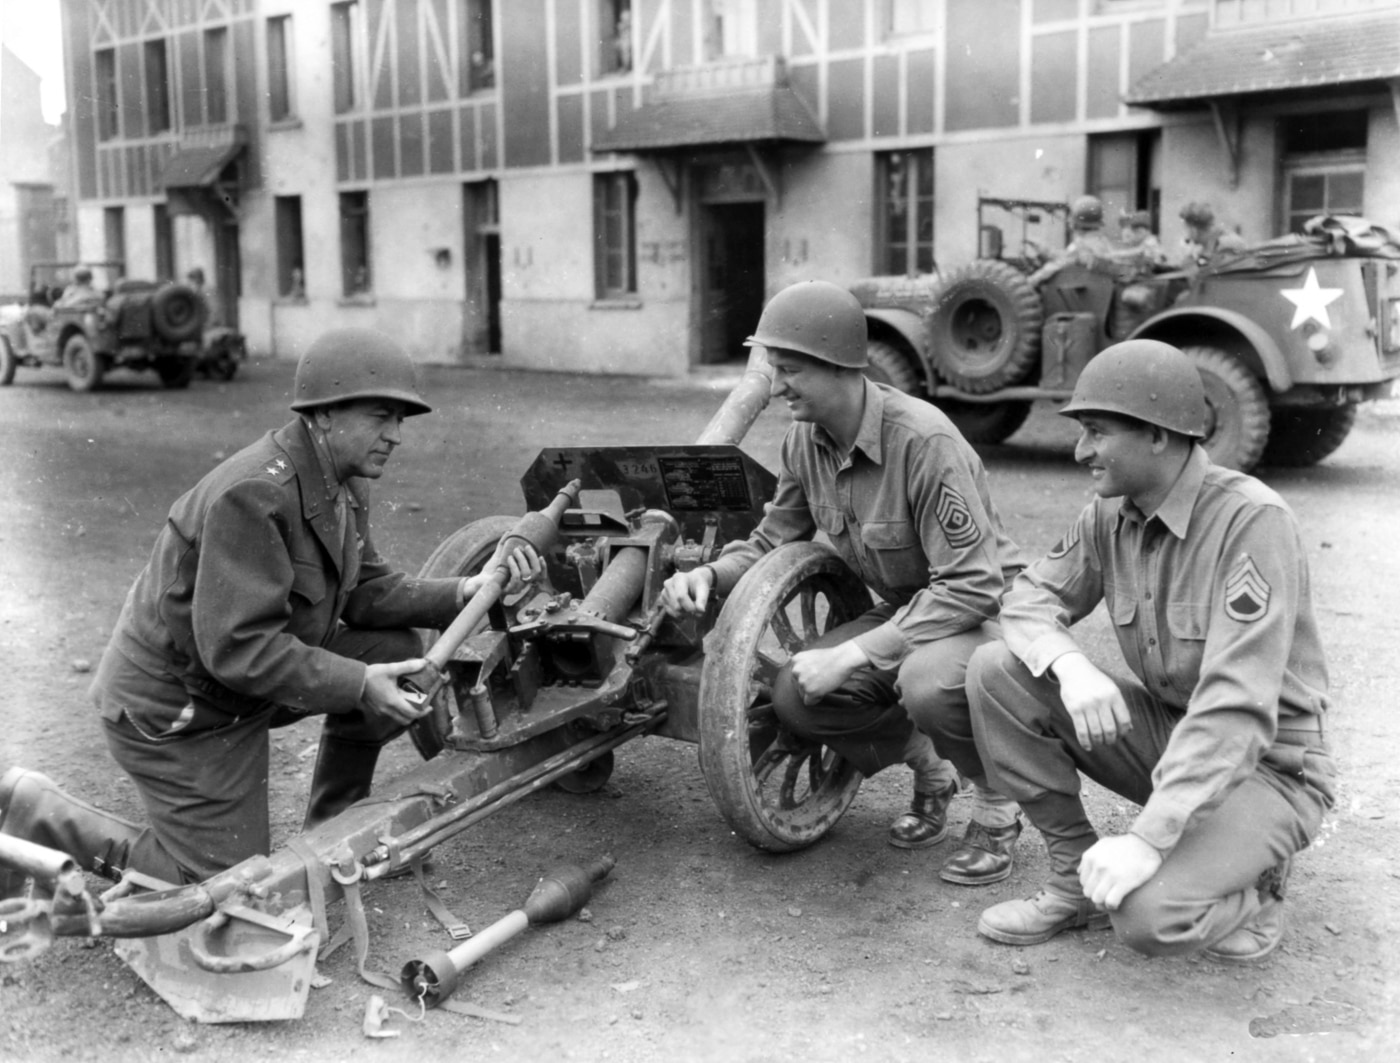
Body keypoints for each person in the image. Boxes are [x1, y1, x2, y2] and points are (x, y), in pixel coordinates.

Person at [0, 327, 540, 892]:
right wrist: (357, 684)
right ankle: (38, 812)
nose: (396, 435)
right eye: (382, 416)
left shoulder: (343, 480)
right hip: (179, 709)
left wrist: (465, 589)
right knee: (221, 887)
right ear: (325, 415)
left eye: (401, 420)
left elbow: (363, 590)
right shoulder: (254, 494)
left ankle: (334, 830)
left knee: (395, 650)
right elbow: (239, 646)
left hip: (240, 687)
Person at [967, 339, 1336, 962]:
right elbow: (1026, 600)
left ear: (1160, 436)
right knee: (996, 670)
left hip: (1268, 767)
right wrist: (1071, 664)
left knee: (1148, 919)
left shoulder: (1251, 521)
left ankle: (1259, 891)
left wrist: (1144, 840)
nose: (1081, 451)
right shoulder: (1109, 513)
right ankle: (1072, 881)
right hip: (1174, 739)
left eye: (1096, 432)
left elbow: (1235, 706)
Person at [660, 281, 1026, 884]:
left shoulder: (923, 442)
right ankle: (930, 764)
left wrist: (857, 651)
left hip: (991, 614)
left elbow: (973, 586)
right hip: (917, 609)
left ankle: (997, 810)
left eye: (790, 371)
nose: (776, 388)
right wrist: (706, 574)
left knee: (925, 681)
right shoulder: (805, 441)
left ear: (840, 368)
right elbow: (770, 542)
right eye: (774, 370)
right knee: (797, 695)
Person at [1027, 195, 1119, 287]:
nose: (1068, 220)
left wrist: (1031, 281)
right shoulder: (1103, 242)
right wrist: (1043, 248)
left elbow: (1059, 263)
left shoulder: (1081, 245)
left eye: (1071, 216)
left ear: (1076, 223)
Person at [1179, 201, 1247, 269]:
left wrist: (1209, 248)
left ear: (1193, 229)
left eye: (1186, 228)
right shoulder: (1201, 248)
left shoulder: (1227, 242)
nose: (1186, 234)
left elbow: (1205, 271)